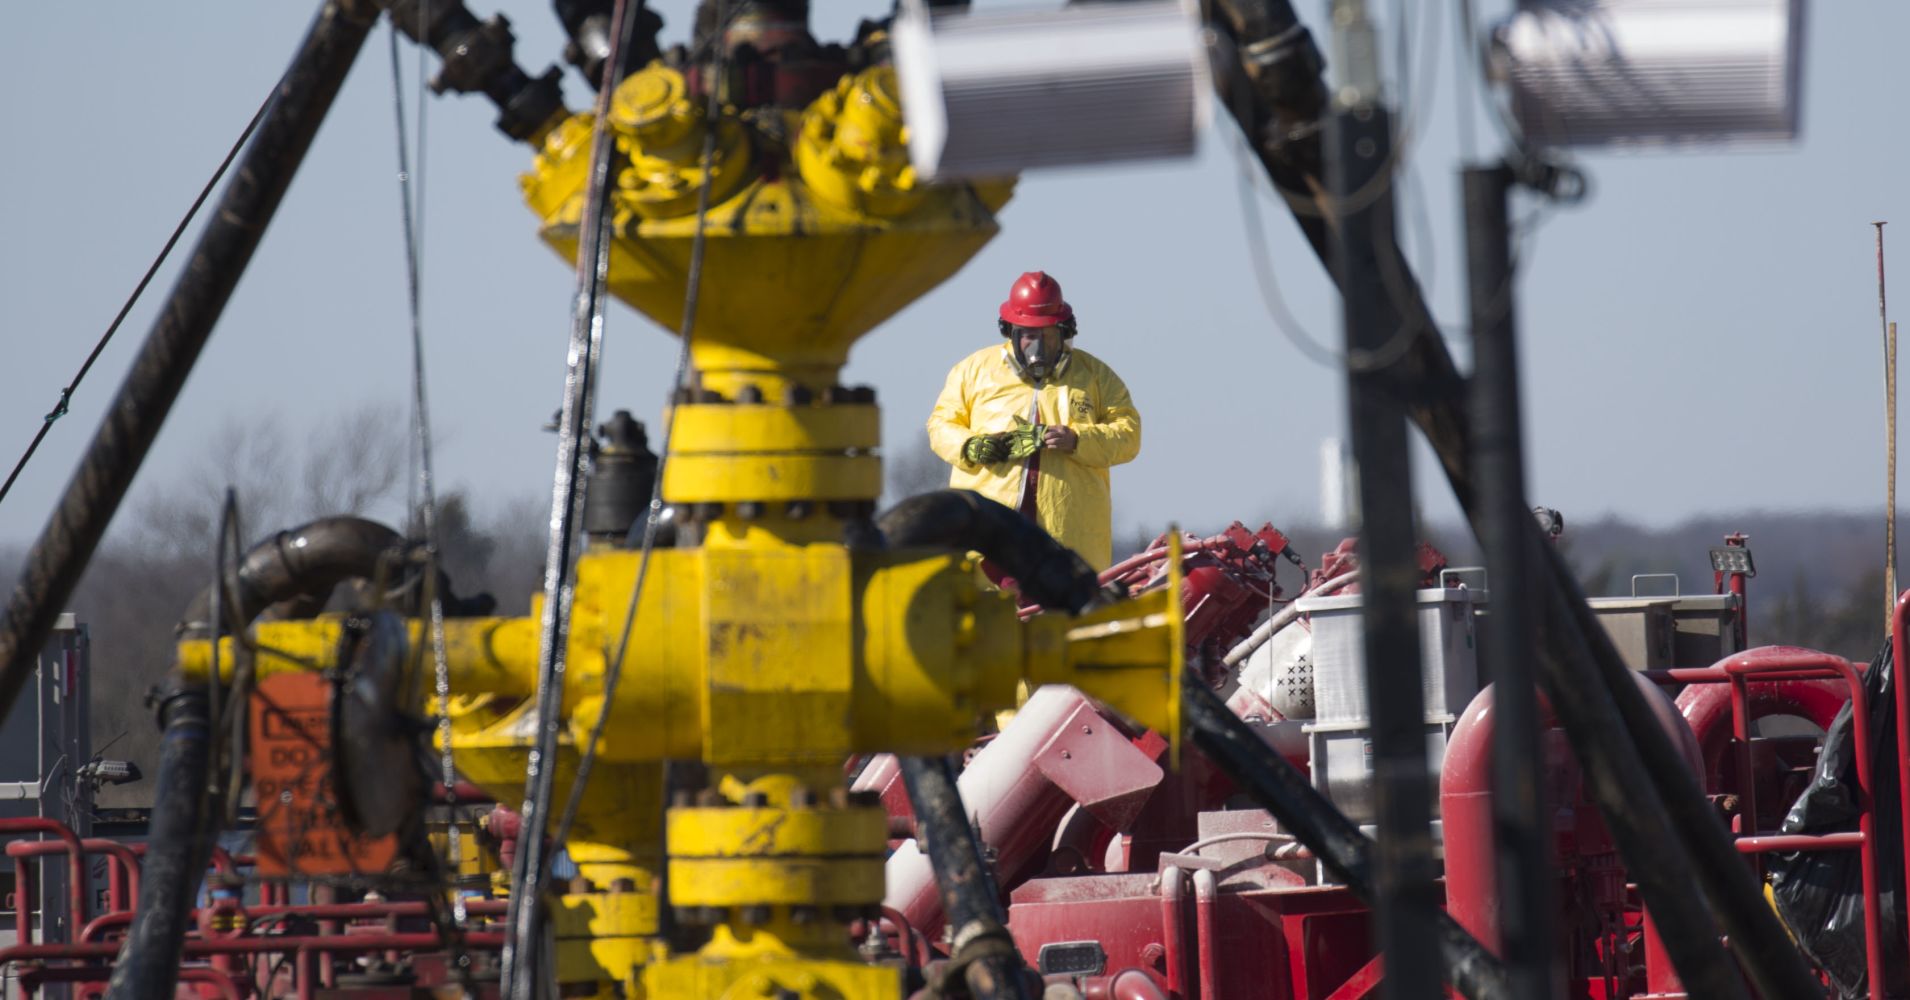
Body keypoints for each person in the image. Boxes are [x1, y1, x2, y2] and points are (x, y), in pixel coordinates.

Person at [926, 271, 1141, 571]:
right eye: (1029, 336)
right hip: (989, 540)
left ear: (1064, 332)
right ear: (1011, 332)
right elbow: (940, 425)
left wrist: (1078, 440)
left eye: (1048, 336)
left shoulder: (1096, 376)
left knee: (1062, 615)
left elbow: (1129, 435)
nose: (1038, 349)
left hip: (1069, 542)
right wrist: (969, 446)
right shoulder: (972, 371)